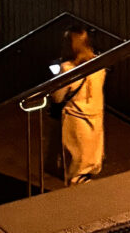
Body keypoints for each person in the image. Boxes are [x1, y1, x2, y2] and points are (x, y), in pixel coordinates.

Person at [51, 26, 106, 186]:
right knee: (90, 161)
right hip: (96, 117)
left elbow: (57, 97)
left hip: (76, 119)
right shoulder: (99, 64)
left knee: (76, 165)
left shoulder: (67, 69)